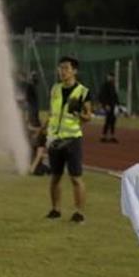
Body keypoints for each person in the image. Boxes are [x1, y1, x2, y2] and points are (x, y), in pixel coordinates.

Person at [44, 56, 92, 223]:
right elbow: (52, 113)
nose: (62, 71)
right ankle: (55, 209)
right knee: (55, 176)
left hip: (72, 139)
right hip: (55, 138)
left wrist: (79, 113)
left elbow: (88, 116)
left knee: (75, 177)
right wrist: (44, 131)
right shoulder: (55, 89)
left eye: (66, 68)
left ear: (74, 71)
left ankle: (79, 212)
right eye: (60, 68)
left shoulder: (83, 91)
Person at [98, 72, 120, 143]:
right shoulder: (105, 85)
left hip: (113, 106)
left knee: (113, 121)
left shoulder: (113, 85)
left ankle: (112, 136)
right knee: (108, 121)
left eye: (113, 77)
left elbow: (115, 96)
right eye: (110, 77)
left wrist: (117, 104)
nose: (111, 78)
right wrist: (105, 104)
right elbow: (102, 95)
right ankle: (103, 136)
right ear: (108, 77)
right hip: (108, 106)